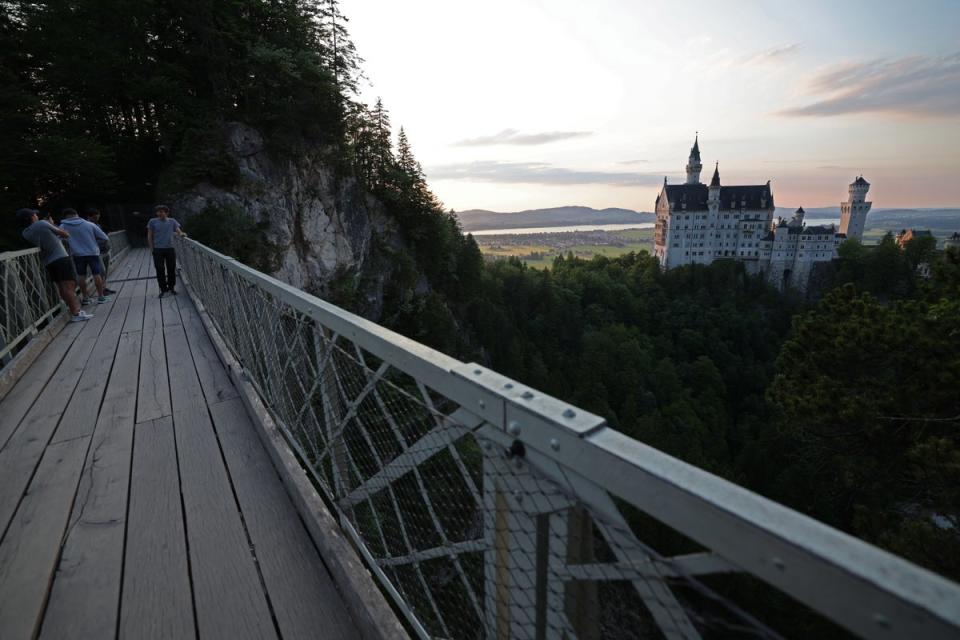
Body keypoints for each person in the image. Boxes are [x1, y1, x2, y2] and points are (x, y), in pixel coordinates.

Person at [17, 208, 93, 322]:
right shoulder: (42, 223)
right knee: (69, 286)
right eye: (35, 215)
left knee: (62, 287)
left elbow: (47, 239)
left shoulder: (25, 233)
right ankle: (76, 313)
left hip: (49, 262)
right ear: (31, 217)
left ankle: (73, 310)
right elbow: (65, 234)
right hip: (60, 257)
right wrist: (51, 224)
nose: (37, 216)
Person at [59, 208, 111, 304]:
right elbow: (104, 238)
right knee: (96, 274)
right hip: (92, 252)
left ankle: (86, 298)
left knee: (81, 275)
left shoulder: (63, 226)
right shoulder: (89, 224)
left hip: (77, 254)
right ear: (76, 214)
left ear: (65, 216)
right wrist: (95, 243)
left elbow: (58, 239)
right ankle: (101, 297)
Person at [146, 204, 186, 298]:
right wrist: (151, 248)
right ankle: (163, 289)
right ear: (157, 213)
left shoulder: (172, 221)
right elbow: (149, 235)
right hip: (158, 249)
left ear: (167, 213)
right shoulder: (152, 221)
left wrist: (182, 234)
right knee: (159, 269)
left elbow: (178, 231)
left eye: (163, 211)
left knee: (171, 268)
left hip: (170, 248)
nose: (161, 213)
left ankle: (171, 288)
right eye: (159, 211)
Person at [84, 207, 116, 294]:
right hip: (97, 252)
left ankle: (104, 288)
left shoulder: (97, 225)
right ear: (89, 217)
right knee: (101, 271)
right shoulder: (86, 226)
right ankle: (101, 290)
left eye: (97, 217)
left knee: (105, 270)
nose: (96, 219)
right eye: (94, 218)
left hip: (105, 250)